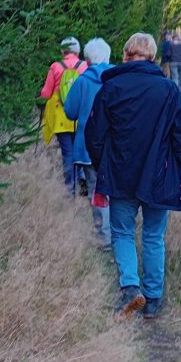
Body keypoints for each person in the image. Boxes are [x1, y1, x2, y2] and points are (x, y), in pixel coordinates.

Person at [86, 32, 181, 318]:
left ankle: (130, 288)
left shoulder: (110, 89)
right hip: (160, 177)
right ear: (152, 57)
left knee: (122, 232)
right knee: (153, 236)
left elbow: (94, 136)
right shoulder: (168, 90)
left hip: (121, 175)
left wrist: (103, 167)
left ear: (125, 55)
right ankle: (153, 299)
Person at [63, 37, 113, 248]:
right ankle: (120, 235)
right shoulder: (118, 79)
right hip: (115, 146)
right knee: (117, 190)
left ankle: (104, 236)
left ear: (87, 59)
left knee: (96, 190)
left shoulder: (82, 81)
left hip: (88, 148)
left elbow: (70, 112)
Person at [39, 37, 88, 192]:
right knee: (78, 149)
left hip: (60, 115)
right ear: (78, 51)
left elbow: (46, 93)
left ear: (62, 51)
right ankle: (81, 178)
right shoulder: (85, 66)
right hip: (79, 114)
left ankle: (69, 189)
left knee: (67, 152)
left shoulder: (56, 66)